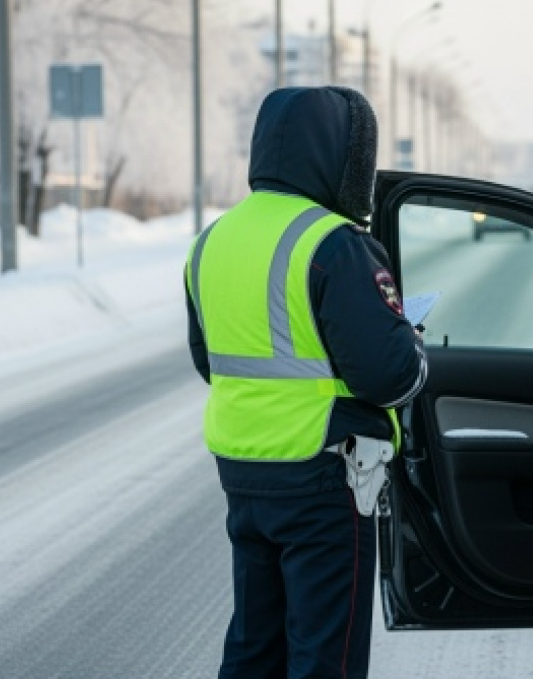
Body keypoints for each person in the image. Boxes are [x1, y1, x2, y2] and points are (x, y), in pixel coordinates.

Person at [184, 86, 427, 679]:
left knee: (254, 644)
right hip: (323, 475)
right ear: (341, 156)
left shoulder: (212, 241)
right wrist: (413, 341)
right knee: (327, 654)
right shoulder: (332, 244)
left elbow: (208, 358)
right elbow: (390, 376)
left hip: (243, 472)